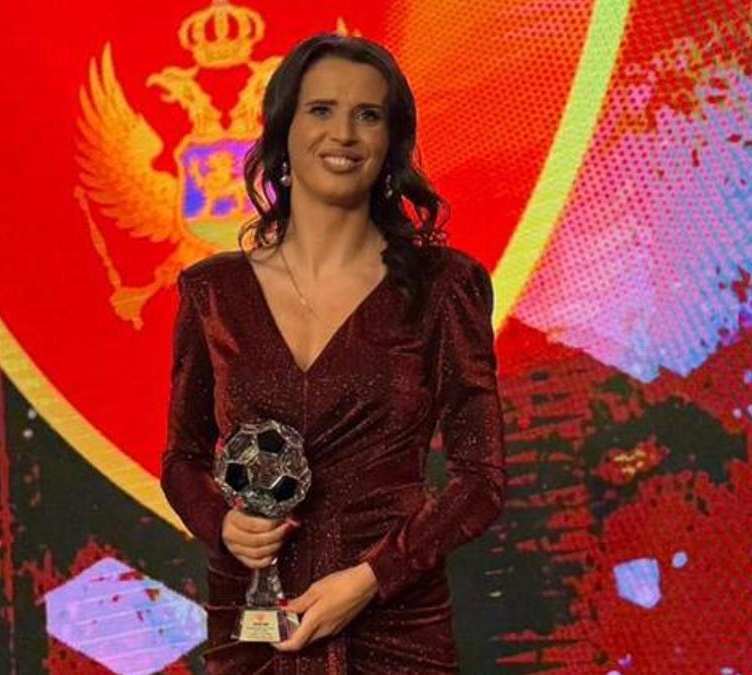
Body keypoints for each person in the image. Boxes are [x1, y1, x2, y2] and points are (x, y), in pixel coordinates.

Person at [161, 32, 506, 674]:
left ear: (391, 142)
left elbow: (480, 481)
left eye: (367, 115)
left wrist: (373, 577)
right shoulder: (213, 292)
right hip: (254, 622)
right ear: (284, 129)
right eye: (321, 109)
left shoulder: (444, 287)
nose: (343, 133)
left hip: (394, 625)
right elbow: (182, 458)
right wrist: (223, 524)